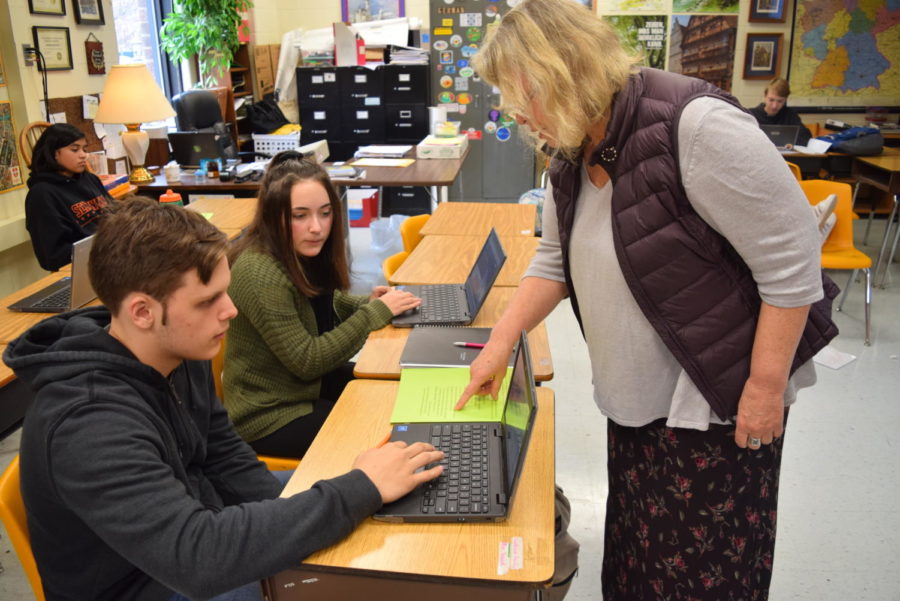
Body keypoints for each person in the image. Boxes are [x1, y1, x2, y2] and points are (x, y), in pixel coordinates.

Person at [457, 1, 838, 599]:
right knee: (638, 567)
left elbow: (792, 262)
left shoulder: (696, 125)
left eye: (521, 95)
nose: (517, 114)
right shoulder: (572, 145)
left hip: (716, 406)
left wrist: (764, 391)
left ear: (564, 72)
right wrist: (498, 346)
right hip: (635, 406)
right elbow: (554, 261)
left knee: (704, 579)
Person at [2, 197, 443, 601]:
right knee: (348, 555)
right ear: (143, 312)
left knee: (366, 517)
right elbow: (199, 558)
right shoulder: (88, 424)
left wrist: (319, 510)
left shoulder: (176, 347)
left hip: (196, 528)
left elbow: (225, 457)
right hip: (151, 584)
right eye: (208, 300)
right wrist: (353, 493)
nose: (229, 311)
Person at [224, 153, 421, 458]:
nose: (317, 227)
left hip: (306, 389)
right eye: (299, 215)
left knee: (394, 395)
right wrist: (373, 314)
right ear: (273, 215)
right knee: (382, 434)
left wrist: (365, 303)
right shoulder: (259, 271)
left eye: (325, 213)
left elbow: (321, 301)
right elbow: (307, 360)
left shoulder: (297, 250)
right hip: (270, 414)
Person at [25, 123, 113, 271]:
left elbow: (117, 214)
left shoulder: (90, 179)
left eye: (84, 149)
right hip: (86, 267)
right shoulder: (42, 194)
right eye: (74, 149)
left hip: (115, 255)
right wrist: (104, 246)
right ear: (53, 152)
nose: (83, 154)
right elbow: (52, 257)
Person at [749, 78, 813, 146]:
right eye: (771, 100)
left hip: (785, 155)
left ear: (785, 100)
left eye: (780, 101)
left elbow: (805, 137)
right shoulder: (751, 114)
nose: (774, 106)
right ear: (765, 97)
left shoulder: (790, 115)